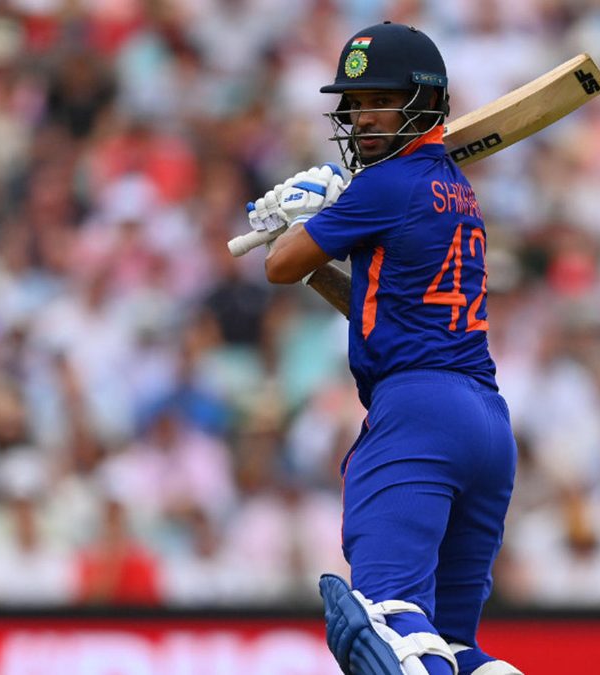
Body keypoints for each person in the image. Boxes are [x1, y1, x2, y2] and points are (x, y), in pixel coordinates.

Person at [242, 21, 521, 675]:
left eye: (381, 100)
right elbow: (379, 309)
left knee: (385, 623)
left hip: (417, 414)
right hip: (485, 423)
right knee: (453, 644)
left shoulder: (385, 185)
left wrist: (298, 223)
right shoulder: (457, 190)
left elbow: (278, 266)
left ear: (425, 102)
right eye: (357, 103)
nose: (364, 116)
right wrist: (314, 236)